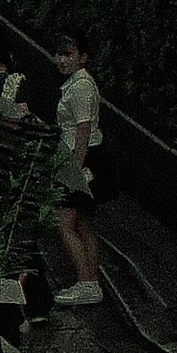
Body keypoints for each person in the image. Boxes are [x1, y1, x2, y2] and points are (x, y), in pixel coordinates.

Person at [52, 35, 106, 312]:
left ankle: (87, 281)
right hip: (84, 158)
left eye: (68, 54)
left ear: (82, 57)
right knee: (83, 223)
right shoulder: (77, 84)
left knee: (64, 223)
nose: (62, 60)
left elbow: (83, 131)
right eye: (59, 54)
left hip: (81, 158)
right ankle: (90, 280)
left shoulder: (82, 87)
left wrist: (74, 170)